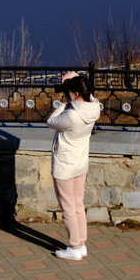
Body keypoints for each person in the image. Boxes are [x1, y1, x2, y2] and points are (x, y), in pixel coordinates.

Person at [46, 71, 102, 261]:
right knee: (78, 204)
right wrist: (75, 78)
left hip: (64, 166)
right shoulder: (94, 107)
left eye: (68, 92)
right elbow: (89, 96)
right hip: (80, 164)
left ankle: (73, 247)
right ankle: (82, 243)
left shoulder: (70, 116)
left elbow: (50, 121)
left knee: (68, 207)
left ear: (76, 94)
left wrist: (62, 105)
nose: (66, 95)